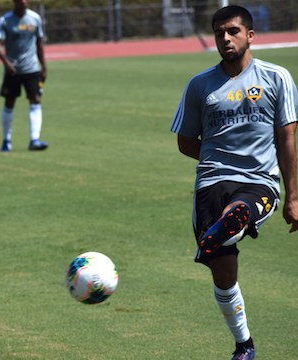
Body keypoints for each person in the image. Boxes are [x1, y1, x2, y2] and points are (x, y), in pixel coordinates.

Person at [170, 6, 298, 360]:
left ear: (250, 35)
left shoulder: (277, 77)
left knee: (239, 210)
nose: (225, 38)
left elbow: (287, 137)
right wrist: (220, 158)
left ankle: (234, 219)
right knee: (224, 274)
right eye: (219, 33)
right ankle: (244, 345)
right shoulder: (200, 85)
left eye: (233, 31)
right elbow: (184, 141)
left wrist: (293, 198)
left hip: (259, 180)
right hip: (211, 181)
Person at [0, 0, 48, 151]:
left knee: (35, 100)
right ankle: (6, 141)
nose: (23, 2)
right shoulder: (5, 20)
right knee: (9, 102)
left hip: (31, 68)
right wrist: (6, 63)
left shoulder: (35, 18)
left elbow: (39, 44)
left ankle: (34, 139)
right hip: (13, 70)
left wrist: (43, 66)